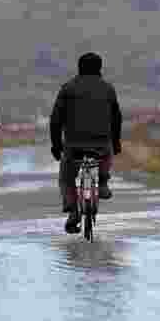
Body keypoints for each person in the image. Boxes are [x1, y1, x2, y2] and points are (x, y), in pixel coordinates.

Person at [49, 52, 122, 234]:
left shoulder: (67, 88)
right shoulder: (108, 89)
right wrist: (116, 142)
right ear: (100, 68)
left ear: (79, 67)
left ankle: (73, 211)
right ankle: (103, 182)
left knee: (66, 179)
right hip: (101, 143)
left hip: (74, 144)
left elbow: (55, 120)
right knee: (106, 153)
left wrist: (56, 145)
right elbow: (116, 118)